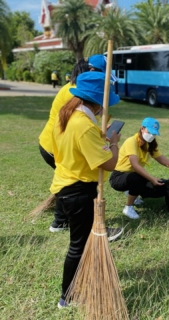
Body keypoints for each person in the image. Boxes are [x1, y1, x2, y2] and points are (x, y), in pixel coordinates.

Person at [51, 72, 121, 308]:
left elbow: (77, 147)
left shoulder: (68, 116)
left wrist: (99, 138)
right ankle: (67, 297)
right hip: (78, 191)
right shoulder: (83, 125)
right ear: (97, 101)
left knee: (79, 242)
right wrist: (113, 143)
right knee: (78, 245)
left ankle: (85, 280)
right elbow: (110, 164)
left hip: (65, 184)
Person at [39, 54, 115, 233]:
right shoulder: (76, 91)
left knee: (70, 181)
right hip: (56, 144)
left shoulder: (77, 88)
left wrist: (98, 132)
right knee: (77, 182)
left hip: (59, 141)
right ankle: (82, 225)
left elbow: (85, 122)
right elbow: (81, 125)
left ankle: (61, 222)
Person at [109, 117, 169, 219]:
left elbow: (163, 160)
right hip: (118, 177)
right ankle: (128, 207)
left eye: (154, 134)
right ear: (142, 128)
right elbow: (135, 165)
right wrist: (151, 179)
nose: (151, 136)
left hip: (133, 176)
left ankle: (132, 192)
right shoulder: (131, 141)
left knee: (160, 189)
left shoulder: (149, 144)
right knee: (138, 178)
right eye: (149, 132)